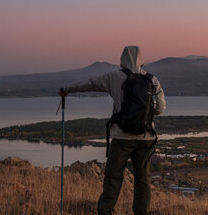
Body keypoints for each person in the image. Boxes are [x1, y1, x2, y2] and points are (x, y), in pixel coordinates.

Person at [58, 46, 166, 215]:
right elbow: (160, 108)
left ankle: (107, 211)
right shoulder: (152, 80)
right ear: (141, 59)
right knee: (142, 179)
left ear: (122, 59)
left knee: (113, 177)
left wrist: (66, 89)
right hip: (146, 138)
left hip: (121, 137)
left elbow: (89, 83)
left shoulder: (114, 77)